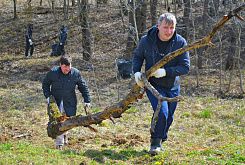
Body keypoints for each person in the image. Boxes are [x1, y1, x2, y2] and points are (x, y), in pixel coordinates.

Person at [132, 13, 190, 155]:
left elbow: (185, 67)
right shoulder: (147, 41)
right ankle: (155, 143)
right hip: (153, 84)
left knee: (169, 116)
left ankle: (161, 137)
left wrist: (166, 72)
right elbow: (138, 56)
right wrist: (136, 73)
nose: (169, 31)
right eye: (165, 27)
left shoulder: (180, 42)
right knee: (162, 112)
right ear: (158, 26)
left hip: (172, 85)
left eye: (172, 27)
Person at [42, 56, 91, 149]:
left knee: (68, 119)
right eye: (65, 67)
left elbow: (83, 87)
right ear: (60, 65)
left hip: (70, 101)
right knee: (58, 121)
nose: (67, 70)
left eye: (69, 67)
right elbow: (45, 84)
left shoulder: (75, 73)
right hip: (56, 101)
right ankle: (59, 144)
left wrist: (87, 100)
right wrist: (48, 96)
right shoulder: (53, 73)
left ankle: (65, 135)